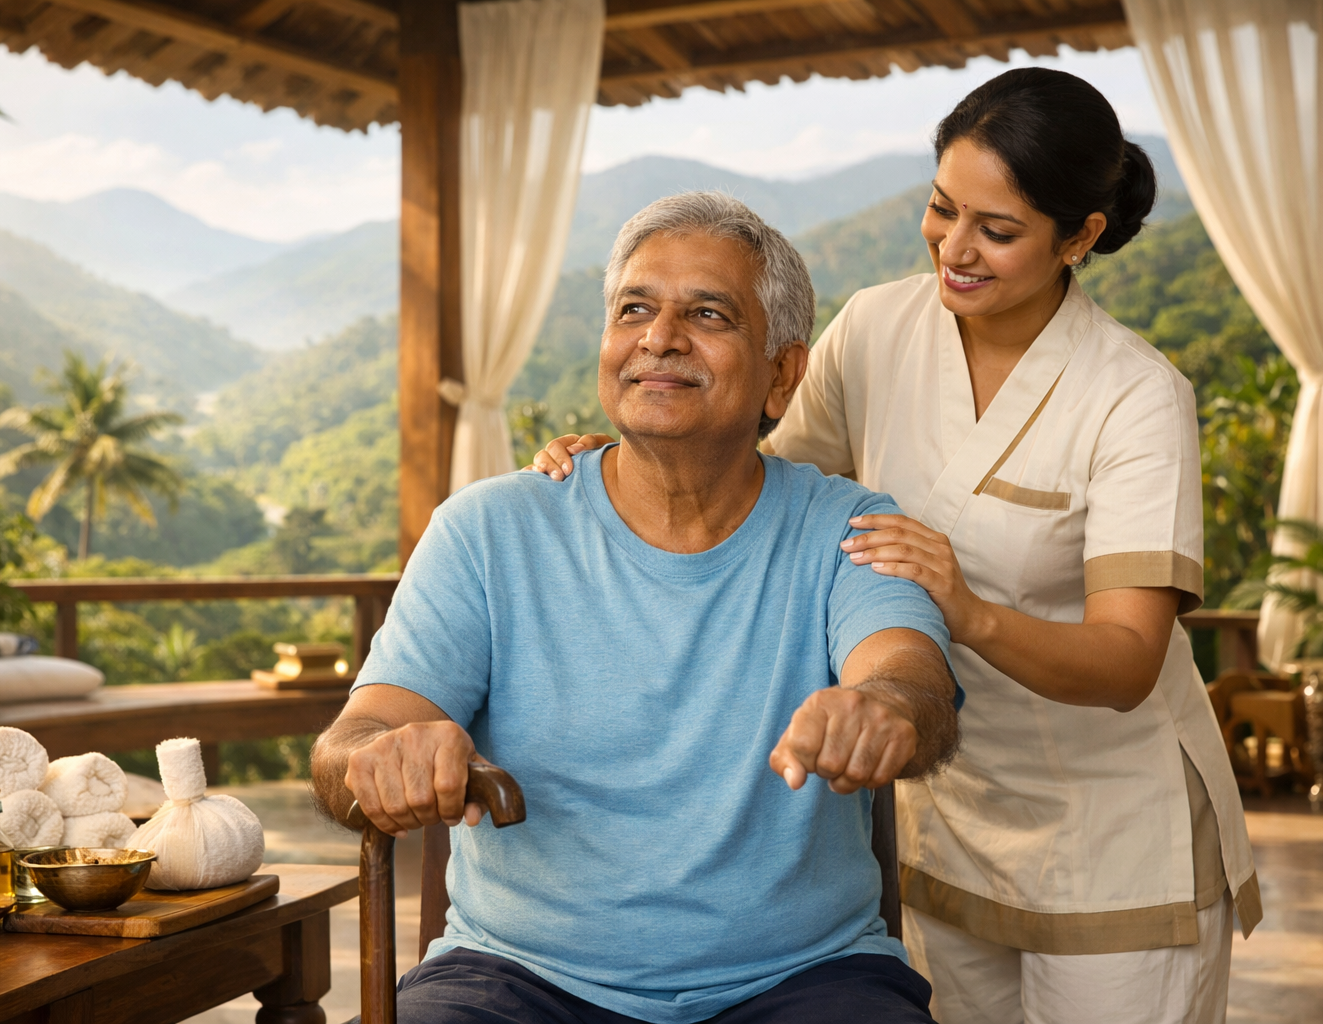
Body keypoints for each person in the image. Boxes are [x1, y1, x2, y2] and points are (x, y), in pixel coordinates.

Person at [530, 69, 1258, 1024]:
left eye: (997, 231)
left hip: (1114, 828)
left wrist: (968, 610)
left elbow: (1129, 662)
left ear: (1080, 236)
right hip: (948, 803)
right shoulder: (877, 328)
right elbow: (751, 486)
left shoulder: (1135, 396)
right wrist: (636, 446)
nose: (955, 249)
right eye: (942, 209)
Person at [311, 191, 963, 1024]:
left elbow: (913, 679)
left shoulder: (853, 526)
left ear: (783, 373)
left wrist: (880, 709)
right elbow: (349, 745)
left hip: (806, 978)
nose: (660, 337)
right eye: (635, 309)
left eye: (710, 314)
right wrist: (380, 759)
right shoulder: (486, 529)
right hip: (516, 978)